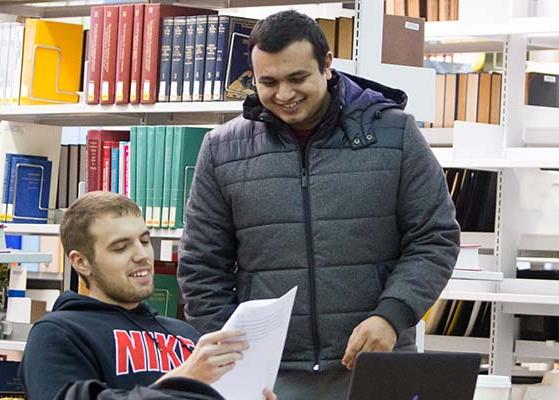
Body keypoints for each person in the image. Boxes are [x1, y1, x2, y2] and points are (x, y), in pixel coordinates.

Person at [178, 10, 460, 399]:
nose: (284, 95)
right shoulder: (223, 149)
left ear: (327, 65)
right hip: (270, 378)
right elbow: (200, 266)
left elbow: (435, 238)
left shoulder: (395, 135)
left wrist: (391, 316)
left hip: (374, 364)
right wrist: (235, 358)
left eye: (297, 78)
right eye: (268, 82)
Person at [20, 192, 276, 400]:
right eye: (120, 247)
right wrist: (184, 379)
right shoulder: (57, 333)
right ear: (81, 262)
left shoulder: (185, 336)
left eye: (143, 241)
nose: (142, 255)